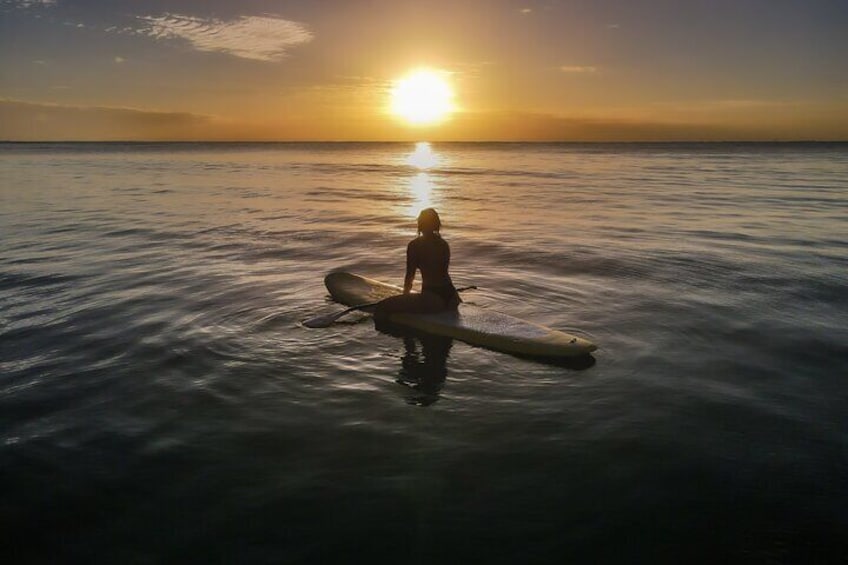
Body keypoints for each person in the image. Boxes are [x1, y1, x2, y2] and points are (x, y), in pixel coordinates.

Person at [374, 208, 460, 324]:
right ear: (436, 224)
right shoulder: (444, 244)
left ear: (420, 224)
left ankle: (401, 339)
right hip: (452, 297)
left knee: (381, 306)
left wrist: (405, 300)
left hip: (433, 299)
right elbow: (441, 272)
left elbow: (410, 276)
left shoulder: (415, 245)